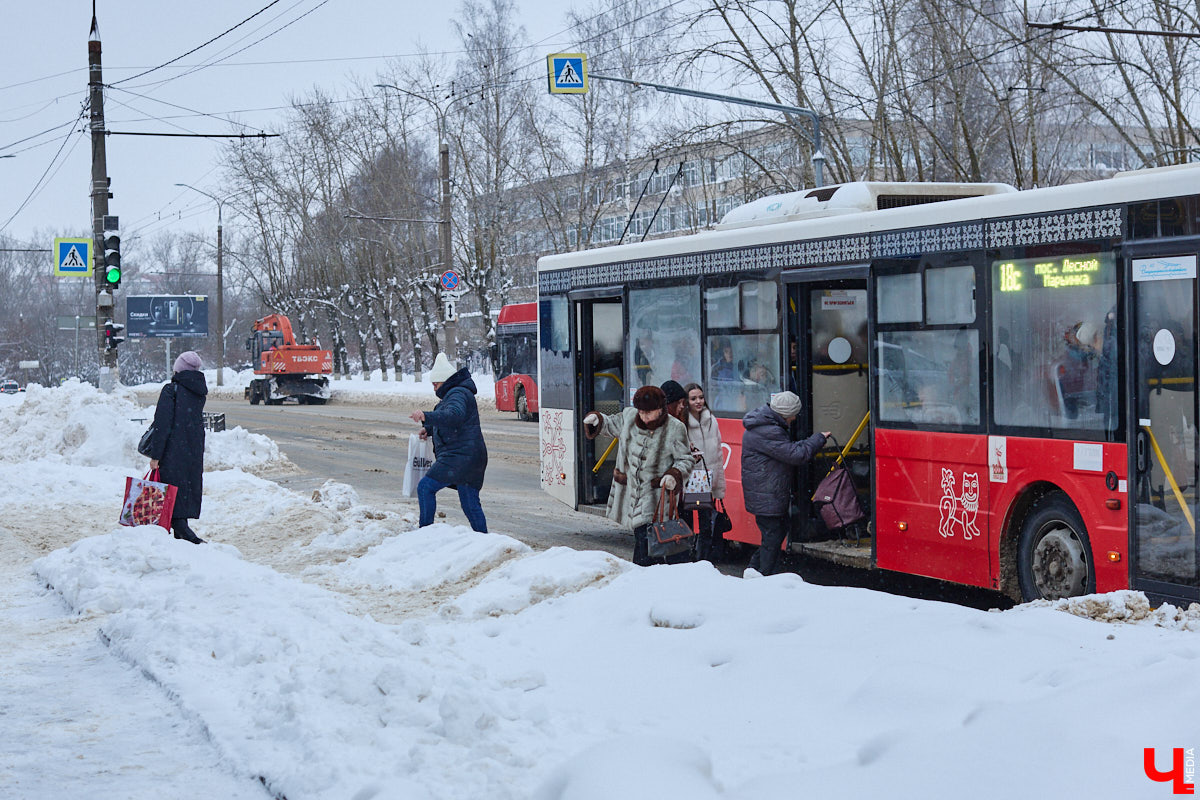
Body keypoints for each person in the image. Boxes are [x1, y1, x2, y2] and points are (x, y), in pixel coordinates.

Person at [583, 385, 695, 566]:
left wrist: (674, 475)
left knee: (647, 544)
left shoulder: (675, 428)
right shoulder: (629, 417)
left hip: (655, 497)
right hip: (631, 494)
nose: (643, 417)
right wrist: (598, 420)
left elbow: (686, 460)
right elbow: (611, 424)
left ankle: (647, 573)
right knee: (644, 541)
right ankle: (649, 573)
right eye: (641, 412)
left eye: (648, 413)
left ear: (660, 409)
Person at [741, 391, 828, 576]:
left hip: (766, 492)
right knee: (773, 536)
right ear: (785, 414)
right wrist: (818, 438)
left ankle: (754, 570)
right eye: (793, 414)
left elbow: (787, 449)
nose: (794, 418)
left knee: (775, 534)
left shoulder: (765, 426)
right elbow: (796, 455)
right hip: (767, 494)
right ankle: (763, 575)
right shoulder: (770, 430)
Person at [409, 352, 488, 533]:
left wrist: (425, 416)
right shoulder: (456, 394)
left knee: (425, 487)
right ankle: (484, 540)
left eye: (435, 384)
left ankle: (424, 533)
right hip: (471, 457)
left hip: (460, 456)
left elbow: (454, 416)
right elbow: (453, 420)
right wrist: (429, 429)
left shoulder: (457, 393)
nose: (434, 389)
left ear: (444, 381)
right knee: (469, 503)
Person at [146, 351, 208, 544]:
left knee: (170, 492)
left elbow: (162, 425)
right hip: (192, 448)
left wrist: (156, 455)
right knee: (183, 489)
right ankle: (182, 537)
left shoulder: (171, 390)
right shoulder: (199, 391)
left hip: (172, 449)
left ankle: (188, 536)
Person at [683, 382, 727, 563]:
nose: (698, 401)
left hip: (708, 479)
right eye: (693, 398)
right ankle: (687, 558)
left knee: (706, 524)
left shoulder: (711, 420)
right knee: (687, 522)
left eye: (701, 397)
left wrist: (718, 482)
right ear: (686, 401)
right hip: (690, 478)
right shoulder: (682, 423)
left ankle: (704, 560)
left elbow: (718, 452)